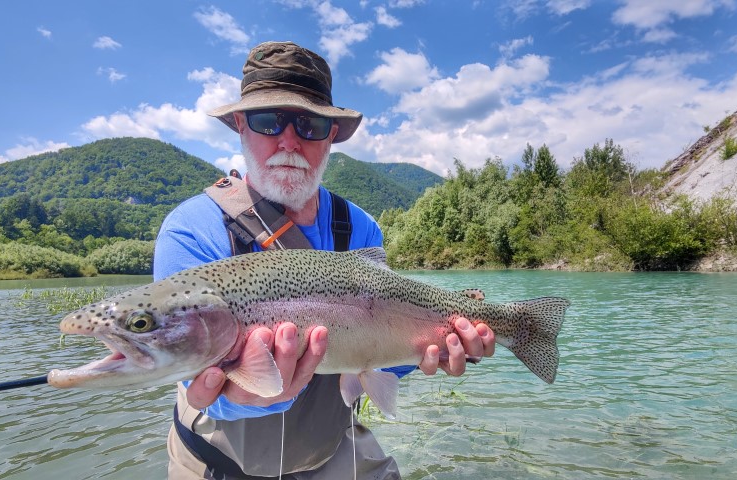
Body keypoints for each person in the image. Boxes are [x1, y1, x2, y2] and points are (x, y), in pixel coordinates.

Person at [153, 41, 496, 480]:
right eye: (267, 121)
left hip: (333, 449)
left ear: (331, 135)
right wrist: (245, 389)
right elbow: (203, 387)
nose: (289, 141)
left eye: (310, 125)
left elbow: (374, 351)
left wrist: (434, 350)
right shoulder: (193, 228)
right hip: (218, 462)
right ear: (240, 125)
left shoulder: (359, 228)